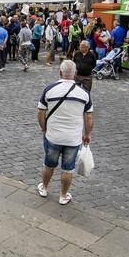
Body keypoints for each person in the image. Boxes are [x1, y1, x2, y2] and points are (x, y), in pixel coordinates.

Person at [36, 60, 93, 205]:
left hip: (53, 135)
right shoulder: (84, 94)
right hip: (73, 138)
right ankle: (63, 195)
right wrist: (87, 134)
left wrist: (44, 128)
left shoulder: (49, 89)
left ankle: (44, 188)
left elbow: (41, 113)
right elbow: (89, 117)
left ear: (60, 72)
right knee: (68, 169)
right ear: (75, 74)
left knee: (49, 164)